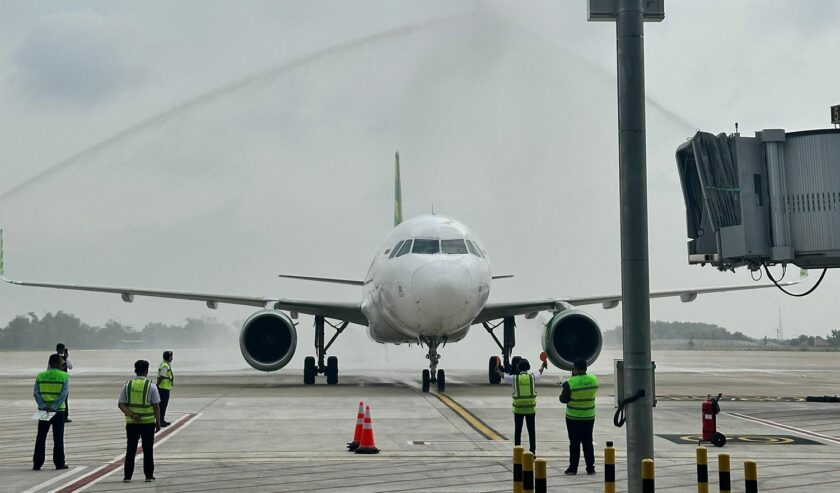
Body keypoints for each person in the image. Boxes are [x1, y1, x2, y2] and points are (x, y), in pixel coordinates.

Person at [118, 360, 161, 483]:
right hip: (147, 423)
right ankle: (148, 475)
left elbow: (121, 404)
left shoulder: (128, 385)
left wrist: (132, 415)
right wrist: (158, 422)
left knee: (130, 449)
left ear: (135, 370)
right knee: (148, 450)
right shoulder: (151, 386)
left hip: (132, 423)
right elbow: (156, 406)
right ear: (147, 371)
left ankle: (127, 476)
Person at [497, 357, 547, 454]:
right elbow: (540, 372)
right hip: (530, 409)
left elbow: (503, 376)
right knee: (531, 432)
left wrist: (497, 369)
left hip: (518, 410)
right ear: (528, 367)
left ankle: (518, 452)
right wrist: (543, 365)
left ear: (518, 368)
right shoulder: (532, 377)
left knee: (518, 432)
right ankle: (532, 452)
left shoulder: (514, 378)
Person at [559, 357, 599, 475]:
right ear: (586, 368)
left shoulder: (570, 383)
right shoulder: (593, 379)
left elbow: (563, 399)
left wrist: (573, 378)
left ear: (575, 369)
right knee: (588, 442)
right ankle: (590, 467)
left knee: (574, 443)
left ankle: (573, 468)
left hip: (573, 418)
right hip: (589, 417)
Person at [33, 354, 69, 470]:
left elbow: (36, 393)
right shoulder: (64, 376)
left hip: (43, 411)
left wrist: (44, 406)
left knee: (41, 437)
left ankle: (37, 463)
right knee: (58, 438)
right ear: (58, 363)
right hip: (58, 411)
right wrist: (54, 406)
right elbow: (64, 394)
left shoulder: (40, 376)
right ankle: (59, 463)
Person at [53, 343, 73, 423]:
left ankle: (51, 415)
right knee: (64, 399)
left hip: (54, 381)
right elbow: (70, 366)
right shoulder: (63, 358)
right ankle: (64, 416)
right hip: (62, 381)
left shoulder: (53, 358)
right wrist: (66, 358)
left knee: (53, 398)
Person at [156, 351, 174, 427]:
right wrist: (157, 385)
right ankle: (160, 420)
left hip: (165, 387)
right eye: (171, 356)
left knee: (163, 405)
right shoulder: (165, 366)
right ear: (169, 357)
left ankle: (161, 419)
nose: (172, 358)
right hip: (163, 388)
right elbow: (162, 376)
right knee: (162, 405)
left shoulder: (166, 364)